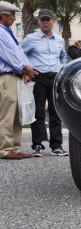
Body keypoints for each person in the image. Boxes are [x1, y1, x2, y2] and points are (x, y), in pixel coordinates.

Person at [20, 9, 69, 157]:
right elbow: (20, 54)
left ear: (52, 20)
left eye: (48, 19)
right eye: (43, 20)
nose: (45, 22)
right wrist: (27, 70)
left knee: (56, 113)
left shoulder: (60, 40)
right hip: (38, 78)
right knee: (38, 113)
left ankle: (57, 146)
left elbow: (63, 57)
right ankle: (37, 146)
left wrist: (61, 69)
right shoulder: (30, 39)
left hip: (55, 78)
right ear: (39, 22)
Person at [0, 1, 37, 159]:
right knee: (7, 114)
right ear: (3, 15)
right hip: (7, 77)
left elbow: (19, 53)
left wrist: (26, 69)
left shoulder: (7, 32)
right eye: (12, 15)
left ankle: (15, 148)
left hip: (16, 76)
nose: (15, 18)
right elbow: (9, 56)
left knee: (17, 113)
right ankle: (5, 149)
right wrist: (26, 68)